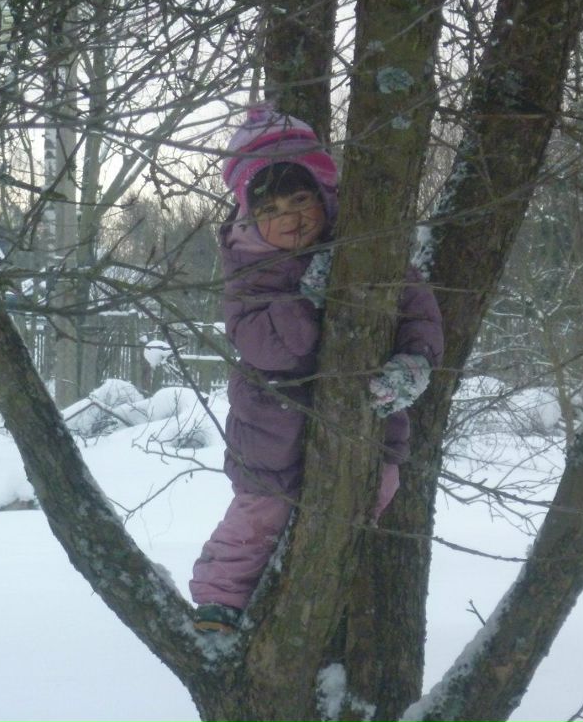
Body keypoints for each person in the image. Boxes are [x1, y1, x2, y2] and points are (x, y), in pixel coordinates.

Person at [189, 105, 443, 633]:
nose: (289, 216)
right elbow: (267, 347)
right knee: (260, 511)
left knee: (377, 488)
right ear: (250, 216)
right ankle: (220, 599)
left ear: (322, 194)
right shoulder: (249, 270)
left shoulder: (366, 248)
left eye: (300, 198)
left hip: (363, 416)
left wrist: (413, 363)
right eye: (271, 208)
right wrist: (310, 297)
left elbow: (417, 310)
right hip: (273, 420)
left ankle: (326, 581)